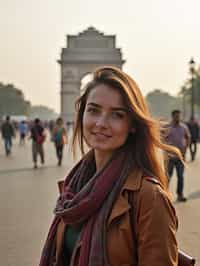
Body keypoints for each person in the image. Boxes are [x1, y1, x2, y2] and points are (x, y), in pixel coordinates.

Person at [39, 66, 181, 266]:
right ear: (82, 115)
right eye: (94, 110)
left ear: (132, 124)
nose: (101, 123)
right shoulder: (75, 186)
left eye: (117, 115)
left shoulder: (150, 198)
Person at [166, 110, 190, 202]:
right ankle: (165, 195)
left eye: (179, 116)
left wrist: (186, 148)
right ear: (172, 116)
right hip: (170, 157)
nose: (178, 118)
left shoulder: (183, 127)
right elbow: (161, 139)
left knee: (180, 176)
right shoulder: (167, 127)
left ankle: (180, 195)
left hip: (180, 156)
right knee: (168, 176)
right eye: (176, 116)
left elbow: (188, 137)